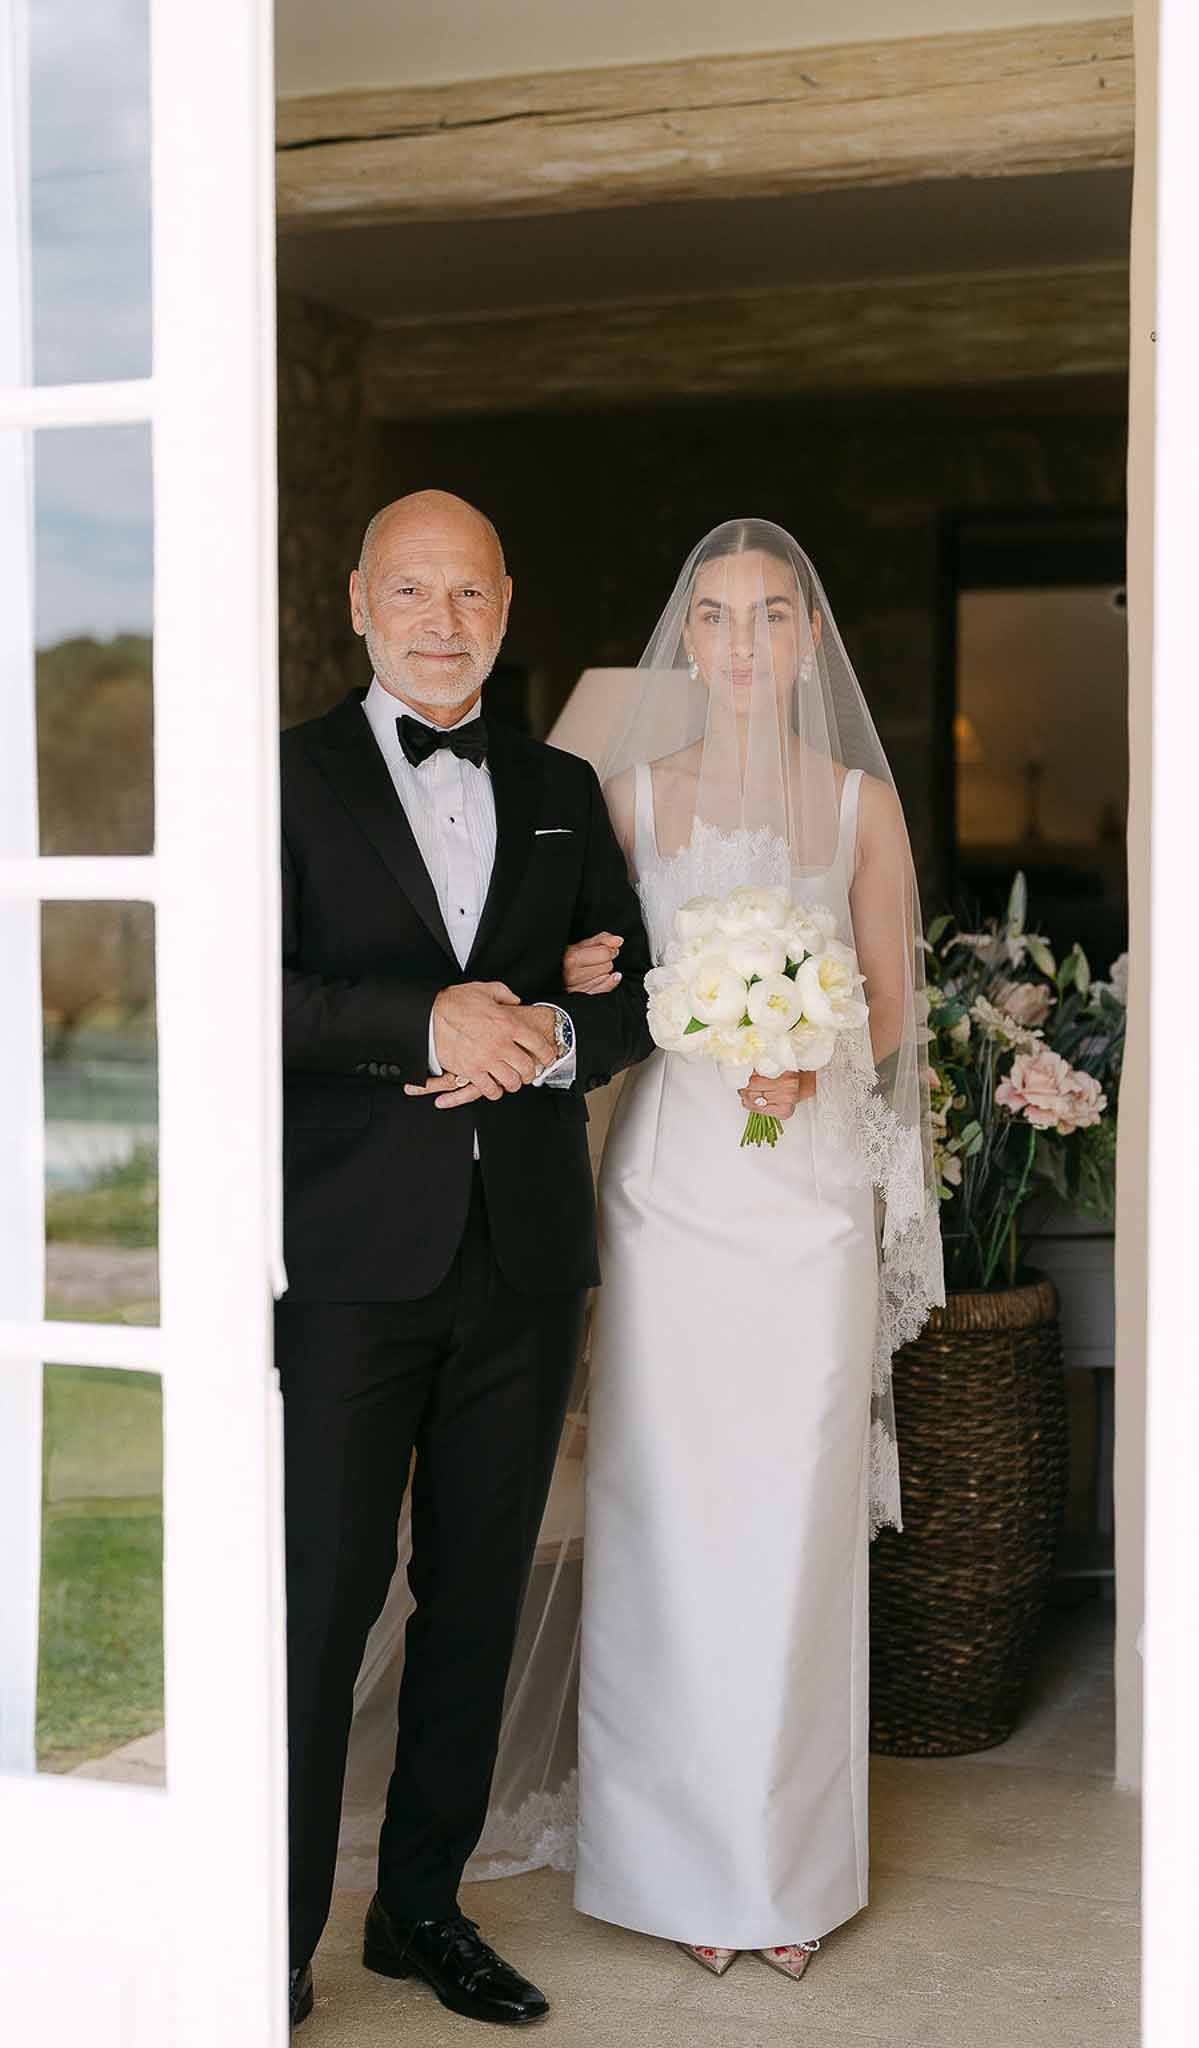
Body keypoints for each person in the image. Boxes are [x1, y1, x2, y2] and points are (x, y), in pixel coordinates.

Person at [276, 489, 652, 2028]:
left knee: (478, 1596)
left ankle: (418, 1913)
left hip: (523, 1254)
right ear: (360, 603)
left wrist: (557, 1032)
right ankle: (268, 1937)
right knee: (316, 1604)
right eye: (411, 592)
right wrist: (420, 1021)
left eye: (470, 594)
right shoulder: (280, 778)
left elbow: (633, 990)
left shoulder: (564, 785)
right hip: (353, 1257)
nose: (443, 621)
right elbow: (244, 988)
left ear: (507, 603)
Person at [565, 520, 943, 1977]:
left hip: (801, 1207)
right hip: (672, 1196)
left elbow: (891, 1000)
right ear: (690, 637)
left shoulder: (856, 804)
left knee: (788, 1526)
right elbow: (589, 979)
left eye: (767, 617)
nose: (737, 642)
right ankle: (666, 1868)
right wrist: (640, 994)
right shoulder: (630, 800)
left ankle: (782, 1874)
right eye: (713, 616)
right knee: (667, 1517)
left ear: (805, 640)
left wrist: (810, 1040)